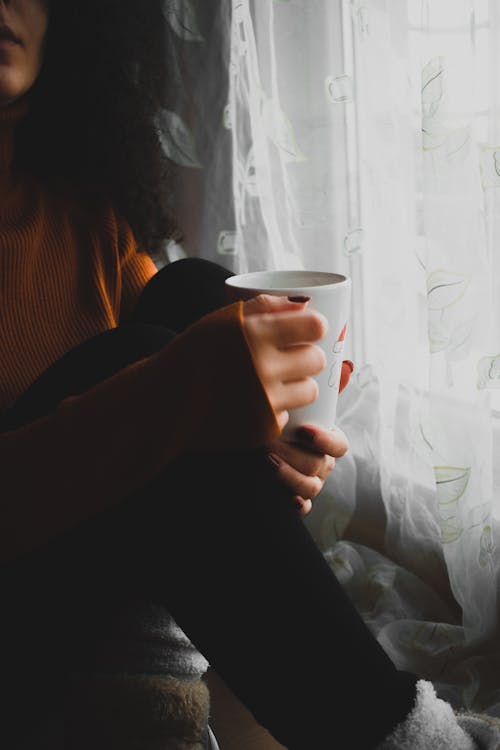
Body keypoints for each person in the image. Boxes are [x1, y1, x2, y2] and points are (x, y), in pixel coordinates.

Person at [0, 1, 499, 749]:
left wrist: (277, 440)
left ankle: (141, 681)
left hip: (87, 616)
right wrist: (177, 394)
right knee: (150, 368)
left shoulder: (87, 226)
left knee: (195, 296)